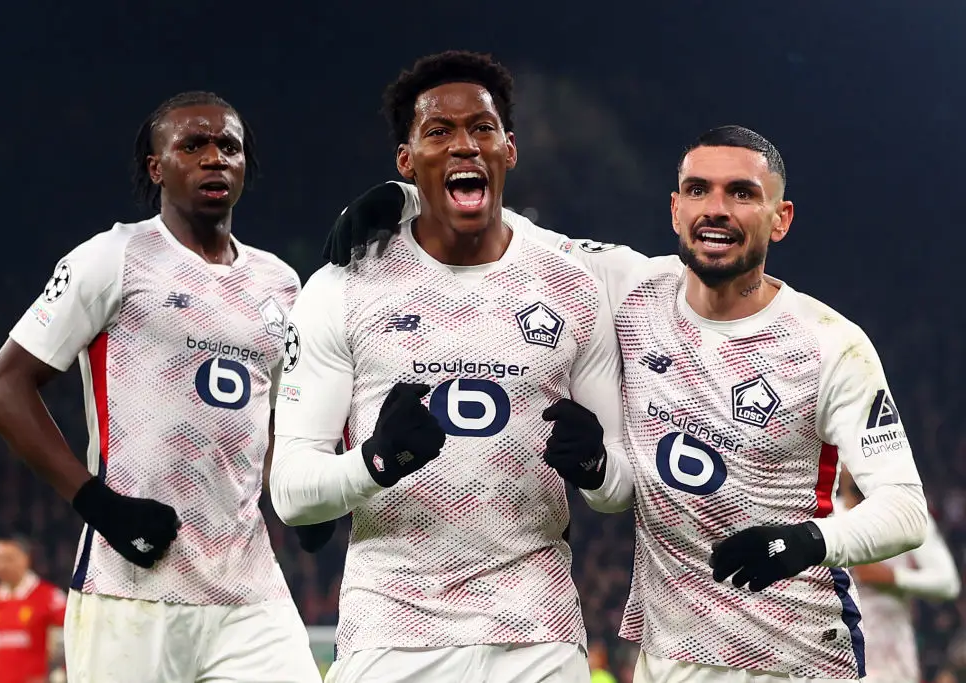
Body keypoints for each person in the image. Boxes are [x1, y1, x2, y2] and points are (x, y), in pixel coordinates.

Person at [325, 124, 929, 681]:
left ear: (781, 218)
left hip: (798, 653)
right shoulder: (632, 287)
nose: (716, 209)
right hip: (667, 658)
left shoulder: (831, 344)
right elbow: (510, 233)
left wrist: (805, 542)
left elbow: (904, 509)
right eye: (698, 190)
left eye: (742, 194)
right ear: (675, 209)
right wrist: (405, 199)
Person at [270, 51, 633, 683]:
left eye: (482, 129)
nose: (465, 145)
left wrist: (597, 467)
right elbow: (292, 493)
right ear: (407, 162)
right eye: (439, 131)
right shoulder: (342, 285)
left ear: (509, 149)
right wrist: (375, 464)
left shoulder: (572, 280)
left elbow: (620, 490)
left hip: (538, 634)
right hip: (390, 634)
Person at [0, 91, 322, 683]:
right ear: (156, 166)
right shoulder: (113, 257)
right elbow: (3, 389)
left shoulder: (282, 283)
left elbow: (276, 419)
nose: (214, 157)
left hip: (250, 588)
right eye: (193, 145)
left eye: (228, 146)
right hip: (131, 587)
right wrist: (97, 504)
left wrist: (304, 495)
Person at [840, 472, 960, 683]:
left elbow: (948, 583)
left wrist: (892, 577)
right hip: (837, 662)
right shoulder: (826, 515)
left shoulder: (905, 515)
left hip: (893, 666)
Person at [0, 535, 66, 683]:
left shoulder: (49, 596)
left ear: (25, 559)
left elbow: (79, 631)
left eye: (8, 559)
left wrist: (63, 671)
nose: (1, 566)